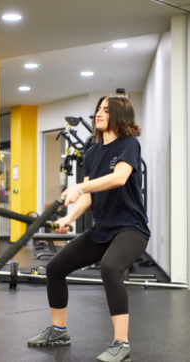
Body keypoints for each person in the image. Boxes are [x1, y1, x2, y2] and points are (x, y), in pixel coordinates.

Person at [27, 95, 150, 362]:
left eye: (107, 110)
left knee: (109, 267)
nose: (99, 113)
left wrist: (80, 187)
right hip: (102, 230)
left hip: (131, 229)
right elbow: (88, 197)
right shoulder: (92, 152)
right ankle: (59, 331)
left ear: (120, 115)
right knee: (55, 268)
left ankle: (122, 344)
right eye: (98, 109)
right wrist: (68, 218)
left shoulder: (129, 145)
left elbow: (119, 178)